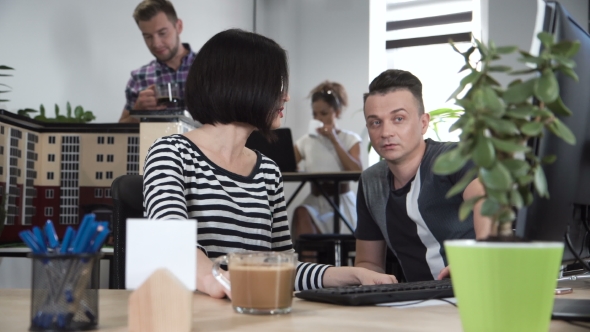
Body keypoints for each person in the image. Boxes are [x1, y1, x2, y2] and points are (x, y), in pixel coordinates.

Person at [143, 29, 397, 299]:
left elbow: (281, 268)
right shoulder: (170, 153)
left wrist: (349, 274)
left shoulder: (267, 171)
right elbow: (169, 242)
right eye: (277, 84)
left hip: (251, 312)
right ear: (243, 83)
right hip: (188, 317)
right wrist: (218, 280)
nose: (285, 97)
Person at [354, 69, 491, 282]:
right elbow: (369, 264)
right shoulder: (371, 183)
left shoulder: (454, 159)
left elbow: (487, 204)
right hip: (417, 303)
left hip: (478, 289)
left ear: (423, 123)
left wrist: (476, 257)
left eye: (398, 118)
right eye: (375, 122)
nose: (386, 132)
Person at [291, 81, 362, 240]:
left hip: (341, 203)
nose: (319, 119)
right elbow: (286, 165)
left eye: (324, 113)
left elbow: (357, 170)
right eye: (315, 115)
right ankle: (309, 263)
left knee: (342, 239)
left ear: (336, 112)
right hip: (315, 201)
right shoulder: (306, 141)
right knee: (301, 212)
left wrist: (334, 139)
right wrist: (296, 168)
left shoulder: (349, 139)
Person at [119, 0, 196, 123]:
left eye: (162, 33)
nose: (156, 43)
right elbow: (121, 129)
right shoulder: (139, 78)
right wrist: (138, 109)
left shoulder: (209, 68)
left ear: (179, 26)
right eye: (148, 36)